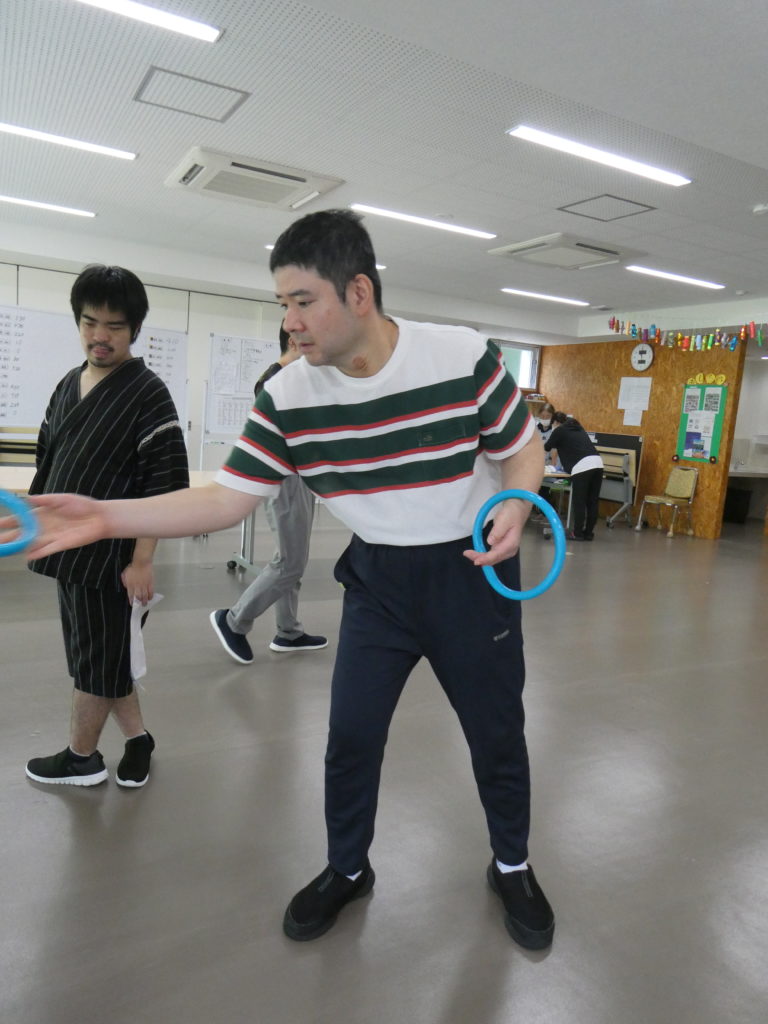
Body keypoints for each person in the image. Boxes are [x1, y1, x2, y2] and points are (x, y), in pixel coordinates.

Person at [15, 210, 554, 950]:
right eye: (282, 304)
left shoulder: (460, 356)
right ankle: (348, 867)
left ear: (358, 292)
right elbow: (225, 498)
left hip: (472, 571)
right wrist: (105, 516)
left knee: (495, 732)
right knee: (350, 736)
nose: (290, 321)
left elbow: (523, 450)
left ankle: (512, 865)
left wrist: (518, 503)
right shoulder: (289, 394)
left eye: (303, 301)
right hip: (378, 580)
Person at [24, 265, 189, 788]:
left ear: (134, 329)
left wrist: (142, 560)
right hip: (68, 549)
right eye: (90, 322)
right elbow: (48, 458)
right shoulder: (68, 384)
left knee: (97, 661)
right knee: (99, 658)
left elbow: (164, 487)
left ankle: (82, 758)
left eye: (114, 326)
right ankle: (138, 740)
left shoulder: (149, 393)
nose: (100, 335)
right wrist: (35, 522)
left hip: (113, 559)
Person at [209, 324, 327, 663]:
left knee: (292, 556)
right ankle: (234, 621)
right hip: (285, 477)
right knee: (290, 562)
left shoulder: (291, 379)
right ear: (293, 341)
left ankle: (289, 632)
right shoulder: (275, 382)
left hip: (296, 476)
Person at [544, 411, 604, 541]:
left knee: (579, 501)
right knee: (592, 501)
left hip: (582, 467)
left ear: (555, 422)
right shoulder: (578, 427)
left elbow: (547, 447)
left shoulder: (559, 430)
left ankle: (577, 533)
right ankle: (588, 533)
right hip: (598, 463)